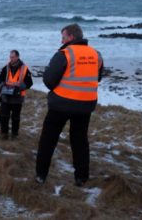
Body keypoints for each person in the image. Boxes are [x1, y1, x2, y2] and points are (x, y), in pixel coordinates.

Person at [35, 24, 103, 186]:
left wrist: (59, 90)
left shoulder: (64, 53)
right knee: (80, 140)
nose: (61, 40)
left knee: (48, 140)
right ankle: (81, 177)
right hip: (85, 105)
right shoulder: (96, 54)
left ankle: (41, 175)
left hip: (61, 104)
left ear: (71, 37)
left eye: (63, 37)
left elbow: (49, 80)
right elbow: (97, 77)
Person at [0, 50, 33, 140]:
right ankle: (4, 134)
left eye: (13, 57)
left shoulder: (24, 69)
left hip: (17, 97)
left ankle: (14, 135)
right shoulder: (6, 67)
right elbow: (1, 78)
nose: (11, 59)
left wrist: (19, 85)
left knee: (15, 118)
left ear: (17, 57)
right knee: (3, 116)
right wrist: (3, 84)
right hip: (6, 96)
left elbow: (29, 83)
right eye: (10, 57)